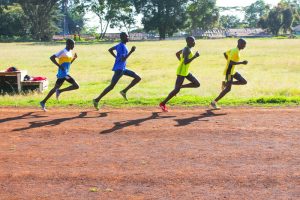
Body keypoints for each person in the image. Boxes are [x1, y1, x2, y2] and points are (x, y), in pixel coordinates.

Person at [92, 32, 141, 110]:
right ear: (123, 37)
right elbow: (123, 59)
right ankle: (96, 100)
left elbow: (110, 50)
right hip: (119, 69)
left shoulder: (120, 45)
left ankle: (124, 91)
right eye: (127, 36)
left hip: (123, 68)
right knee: (111, 86)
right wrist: (131, 51)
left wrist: (116, 57)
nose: (128, 37)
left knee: (138, 78)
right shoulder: (122, 47)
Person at [159, 36, 200, 112]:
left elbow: (177, 54)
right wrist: (194, 56)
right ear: (188, 42)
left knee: (197, 84)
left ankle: (181, 86)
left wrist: (180, 61)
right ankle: (163, 103)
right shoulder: (187, 50)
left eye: (194, 41)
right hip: (181, 72)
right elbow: (185, 62)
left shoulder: (187, 48)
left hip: (185, 71)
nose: (195, 43)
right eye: (193, 41)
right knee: (176, 90)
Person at [40, 39, 79, 111]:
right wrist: (59, 66)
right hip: (63, 74)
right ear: (68, 44)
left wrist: (74, 58)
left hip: (65, 73)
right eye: (73, 44)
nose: (74, 46)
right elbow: (51, 58)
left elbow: (69, 63)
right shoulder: (62, 52)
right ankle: (60, 91)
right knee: (76, 86)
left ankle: (43, 102)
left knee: (55, 88)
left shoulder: (69, 52)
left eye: (74, 44)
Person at [210, 38, 248, 109]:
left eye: (245, 44)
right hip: (229, 72)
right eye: (244, 44)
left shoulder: (234, 49)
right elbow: (231, 62)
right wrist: (242, 62)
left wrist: (228, 60)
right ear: (239, 43)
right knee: (228, 89)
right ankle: (213, 102)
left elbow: (225, 53)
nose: (245, 46)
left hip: (233, 71)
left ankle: (226, 83)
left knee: (243, 81)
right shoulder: (235, 51)